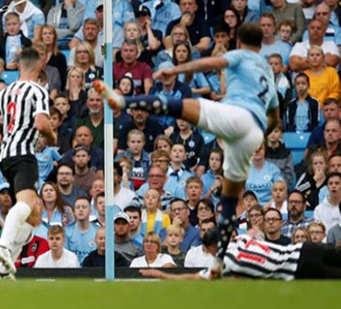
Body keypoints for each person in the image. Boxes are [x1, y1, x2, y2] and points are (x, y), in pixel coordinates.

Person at [95, 22, 280, 276]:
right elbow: (276, 118)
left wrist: (177, 69)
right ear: (261, 45)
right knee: (228, 201)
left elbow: (208, 64)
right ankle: (217, 263)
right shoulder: (269, 72)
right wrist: (259, 135)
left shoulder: (240, 54)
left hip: (238, 114)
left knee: (182, 105)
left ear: (238, 42)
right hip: (254, 131)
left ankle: (124, 100)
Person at [0, 47, 56, 279]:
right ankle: (5, 247)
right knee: (28, 203)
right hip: (23, 154)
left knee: (35, 214)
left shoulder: (6, 92)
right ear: (39, 67)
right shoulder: (37, 91)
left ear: (18, 66)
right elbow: (41, 124)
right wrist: (52, 136)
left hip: (5, 156)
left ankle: (2, 271)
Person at [140, 228, 341, 280]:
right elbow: (255, 232)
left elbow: (193, 277)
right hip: (305, 249)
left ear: (212, 247)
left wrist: (162, 275)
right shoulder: (241, 239)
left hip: (298, 268)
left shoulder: (225, 263)